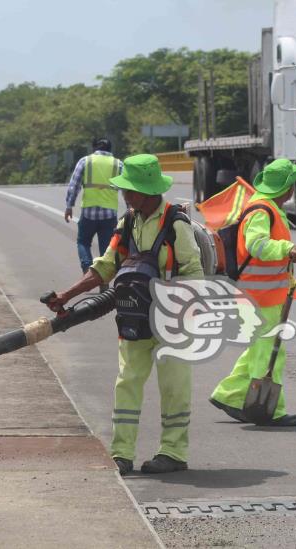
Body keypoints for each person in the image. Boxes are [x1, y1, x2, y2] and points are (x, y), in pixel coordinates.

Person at [48, 154, 204, 475]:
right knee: (127, 383)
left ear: (147, 191)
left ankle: (173, 453)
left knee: (174, 387)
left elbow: (194, 273)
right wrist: (67, 295)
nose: (124, 195)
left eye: (129, 190)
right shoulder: (128, 221)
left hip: (172, 322)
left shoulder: (176, 223)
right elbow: (105, 266)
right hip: (134, 318)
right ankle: (121, 454)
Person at [209, 159, 296, 425]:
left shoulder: (268, 208)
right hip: (260, 296)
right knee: (270, 353)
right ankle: (271, 411)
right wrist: (288, 250)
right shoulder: (261, 210)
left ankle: (229, 395)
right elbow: (257, 245)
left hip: (266, 294)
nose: (294, 189)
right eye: (293, 184)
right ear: (286, 187)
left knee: (259, 351)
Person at [64, 138, 122, 280]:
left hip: (89, 212)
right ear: (110, 149)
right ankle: (103, 278)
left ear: (94, 148)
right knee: (106, 249)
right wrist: (131, 209)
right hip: (109, 213)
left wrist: (69, 206)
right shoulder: (118, 164)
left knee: (83, 242)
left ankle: (87, 269)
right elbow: (127, 189)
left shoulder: (85, 161)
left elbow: (74, 185)